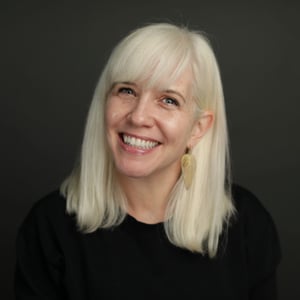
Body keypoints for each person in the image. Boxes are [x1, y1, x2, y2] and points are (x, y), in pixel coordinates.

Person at [14, 23, 281, 299]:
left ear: (198, 128)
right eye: (127, 91)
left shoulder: (246, 225)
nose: (138, 117)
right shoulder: (49, 227)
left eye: (168, 100)